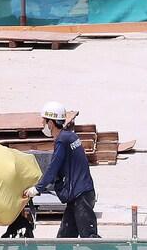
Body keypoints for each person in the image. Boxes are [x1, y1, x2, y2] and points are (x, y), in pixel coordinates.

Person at [23, 101, 99, 241]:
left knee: (90, 238)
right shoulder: (70, 136)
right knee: (64, 240)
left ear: (50, 123)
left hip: (81, 197)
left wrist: (37, 189)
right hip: (78, 196)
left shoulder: (62, 141)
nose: (42, 124)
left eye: (44, 121)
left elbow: (53, 168)